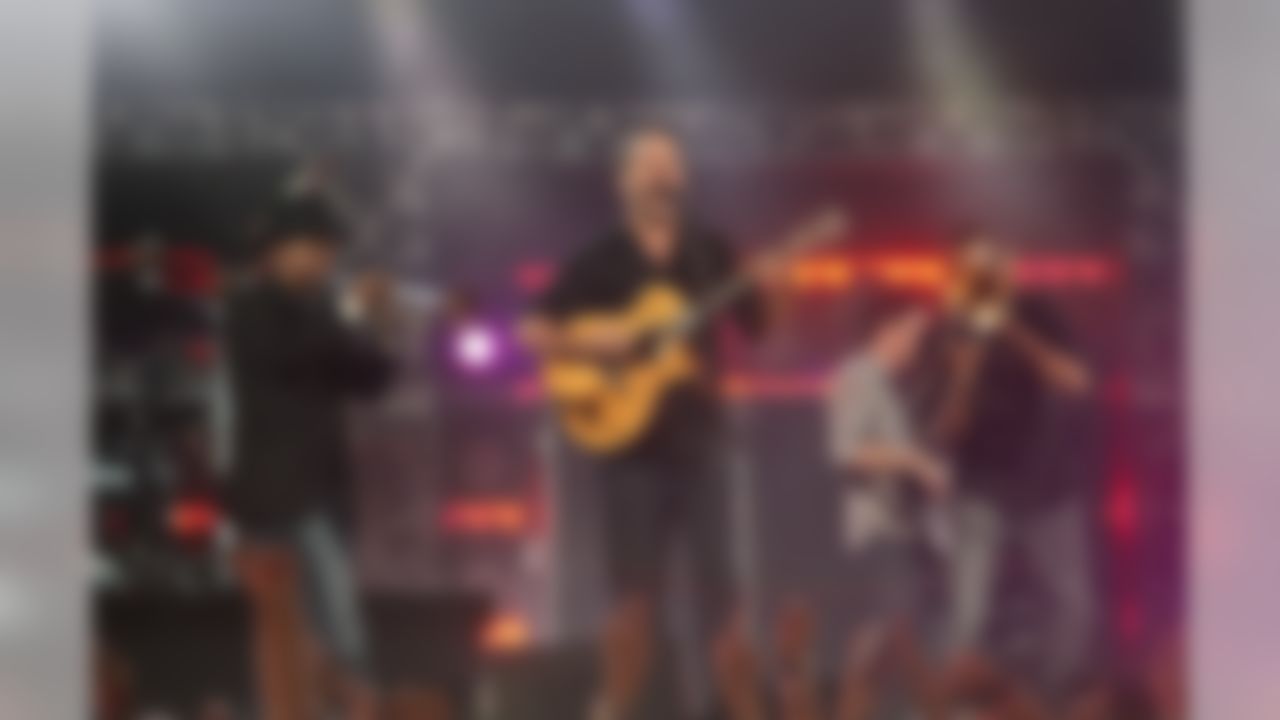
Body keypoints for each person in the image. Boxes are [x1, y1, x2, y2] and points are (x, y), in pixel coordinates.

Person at [521, 124, 780, 720]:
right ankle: (611, 708)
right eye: (650, 165)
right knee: (633, 603)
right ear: (624, 181)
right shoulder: (600, 258)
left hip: (705, 446)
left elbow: (758, 326)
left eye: (672, 165)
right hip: (631, 451)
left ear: (683, 179)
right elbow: (535, 331)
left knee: (725, 600)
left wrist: (777, 284)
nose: (663, 175)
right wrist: (602, 348)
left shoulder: (709, 251)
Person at [226, 195, 395, 720]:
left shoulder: (323, 314)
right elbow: (290, 355)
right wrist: (347, 312)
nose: (323, 262)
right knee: (303, 636)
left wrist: (374, 322)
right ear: (277, 252)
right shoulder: (249, 307)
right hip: (276, 497)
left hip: (326, 492)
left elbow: (372, 379)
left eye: (328, 252)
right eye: (313, 249)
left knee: (336, 633)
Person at [928, 232, 1095, 694]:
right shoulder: (951, 328)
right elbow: (945, 433)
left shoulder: (1040, 314)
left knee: (1072, 607)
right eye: (969, 271)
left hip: (1047, 487)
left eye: (990, 268)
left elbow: (1075, 383)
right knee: (968, 612)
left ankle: (1050, 700)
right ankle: (955, 707)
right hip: (981, 488)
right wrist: (963, 377)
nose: (981, 280)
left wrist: (1011, 330)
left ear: (1010, 269)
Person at [825, 290, 949, 717]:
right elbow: (847, 451)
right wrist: (914, 461)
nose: (919, 343)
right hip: (879, 533)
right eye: (914, 333)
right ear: (888, 329)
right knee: (894, 638)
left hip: (899, 531)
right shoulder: (860, 375)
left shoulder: (887, 385)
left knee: (885, 642)